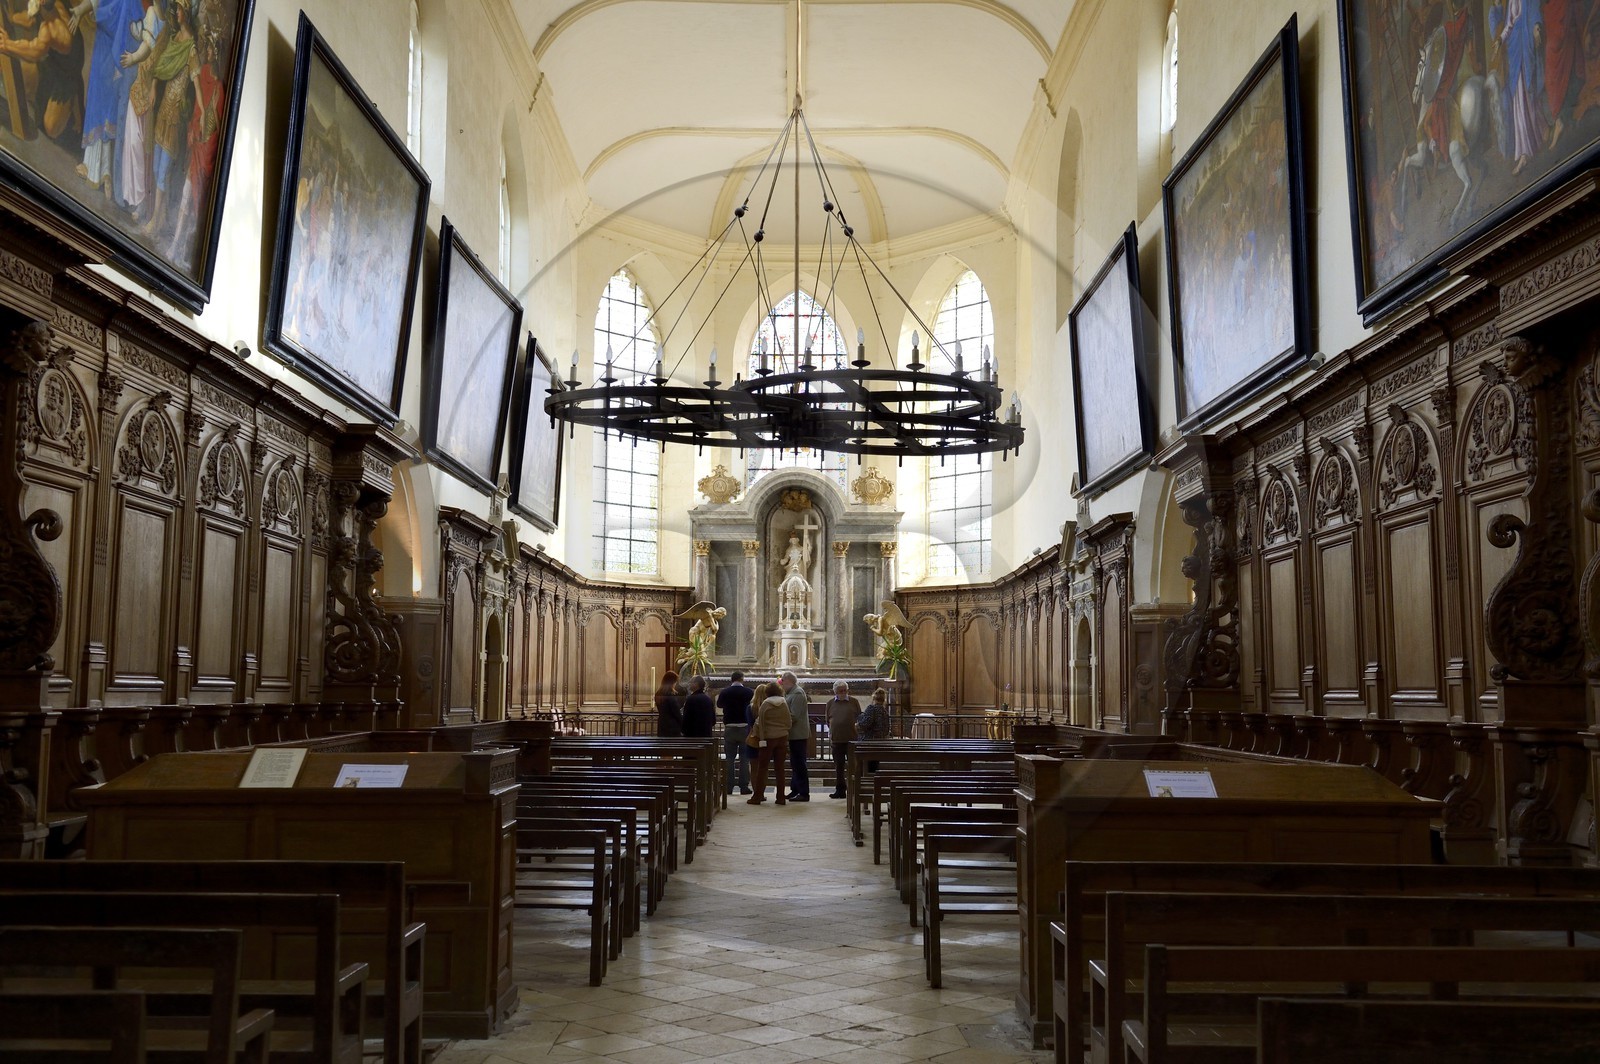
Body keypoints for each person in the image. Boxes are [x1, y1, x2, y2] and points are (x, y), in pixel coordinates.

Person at [748, 682, 790, 805]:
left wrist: (761, 738)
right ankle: (781, 797)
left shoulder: (766, 704)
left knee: (762, 767)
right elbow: (788, 721)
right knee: (780, 768)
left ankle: (757, 797)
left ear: (767, 692)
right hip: (782, 737)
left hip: (767, 738)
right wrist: (784, 730)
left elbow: (760, 722)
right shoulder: (784, 702)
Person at [717, 669, 755, 795]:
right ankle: (744, 787)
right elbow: (753, 707)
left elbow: (719, 705)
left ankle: (728, 787)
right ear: (742, 679)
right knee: (745, 759)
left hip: (730, 727)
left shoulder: (725, 692)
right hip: (745, 727)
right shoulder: (749, 692)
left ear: (731, 679)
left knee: (729, 759)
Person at [780, 670, 811, 801]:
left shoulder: (797, 693)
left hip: (798, 733)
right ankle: (795, 789)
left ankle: (804, 793)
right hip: (793, 733)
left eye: (783, 681)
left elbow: (795, 715)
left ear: (788, 681)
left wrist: (780, 721)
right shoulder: (791, 692)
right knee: (795, 763)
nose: (781, 684)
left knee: (799, 764)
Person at [825, 681, 858, 799]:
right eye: (841, 691)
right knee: (839, 766)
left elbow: (858, 717)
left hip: (851, 740)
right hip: (837, 740)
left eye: (845, 690)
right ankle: (840, 790)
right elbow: (827, 720)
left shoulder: (854, 702)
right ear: (835, 692)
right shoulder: (830, 703)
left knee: (853, 766)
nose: (843, 693)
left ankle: (854, 789)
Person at [858, 687, 890, 773]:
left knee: (867, 765)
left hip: (869, 741)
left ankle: (864, 781)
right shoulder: (885, 712)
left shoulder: (871, 708)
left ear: (873, 698)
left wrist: (858, 723)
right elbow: (887, 729)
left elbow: (865, 723)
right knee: (875, 765)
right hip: (879, 742)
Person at [655, 670, 683, 738]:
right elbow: (676, 712)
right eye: (675, 682)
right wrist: (682, 723)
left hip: (662, 724)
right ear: (672, 682)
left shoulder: (658, 694)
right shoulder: (670, 695)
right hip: (672, 726)